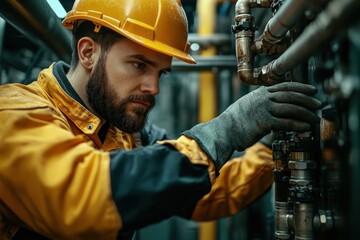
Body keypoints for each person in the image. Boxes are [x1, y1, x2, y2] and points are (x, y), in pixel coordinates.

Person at [0, 0, 321, 239]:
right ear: (88, 53)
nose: (153, 88)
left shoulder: (122, 130)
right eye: (139, 65)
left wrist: (271, 146)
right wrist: (226, 129)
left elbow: (202, 192)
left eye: (160, 72)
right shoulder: (14, 115)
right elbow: (82, 197)